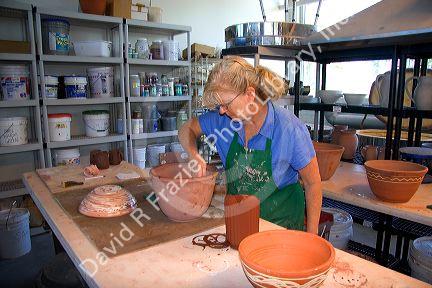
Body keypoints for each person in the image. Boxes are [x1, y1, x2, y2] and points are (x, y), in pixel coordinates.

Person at [179, 56, 322, 234]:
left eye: (226, 104)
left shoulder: (288, 128)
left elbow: (313, 183)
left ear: (249, 94)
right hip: (239, 225)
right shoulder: (223, 120)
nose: (221, 110)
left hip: (281, 229)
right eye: (219, 105)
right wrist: (195, 155)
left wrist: (312, 237)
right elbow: (187, 129)